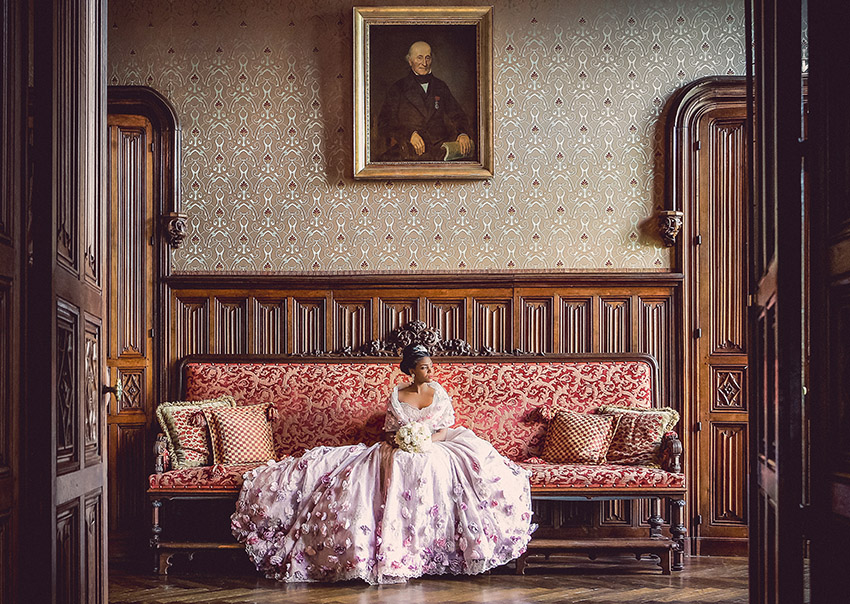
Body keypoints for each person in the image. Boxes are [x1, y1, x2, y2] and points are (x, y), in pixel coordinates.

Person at [231, 343, 535, 584]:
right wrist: (405, 440)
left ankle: (431, 550)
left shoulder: (438, 392)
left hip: (439, 445)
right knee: (396, 464)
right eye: (424, 367)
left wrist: (427, 441)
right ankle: (394, 551)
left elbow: (444, 427)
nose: (430, 371)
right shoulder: (397, 394)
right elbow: (390, 431)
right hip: (399, 446)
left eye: (431, 366)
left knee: (434, 466)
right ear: (411, 370)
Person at [376, 41, 474, 161]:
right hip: (408, 149)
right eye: (419, 58)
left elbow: (458, 115)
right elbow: (384, 123)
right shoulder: (398, 88)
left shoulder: (440, 86)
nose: (424, 63)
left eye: (427, 58)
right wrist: (409, 135)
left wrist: (462, 133)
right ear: (410, 60)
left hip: (440, 149)